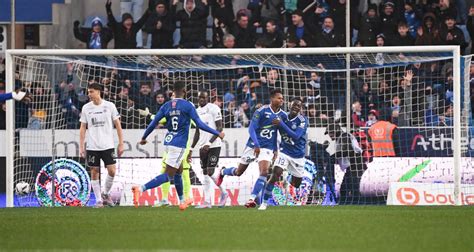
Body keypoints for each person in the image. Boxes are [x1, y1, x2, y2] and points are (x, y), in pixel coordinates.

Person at [132, 82, 225, 210]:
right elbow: (200, 125)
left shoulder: (166, 105)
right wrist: (217, 133)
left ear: (172, 93)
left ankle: (182, 201)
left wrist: (143, 138)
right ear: (185, 92)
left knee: (179, 171)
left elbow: (154, 123)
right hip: (179, 144)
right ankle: (141, 189)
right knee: (168, 175)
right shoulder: (188, 106)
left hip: (169, 142)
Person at [218, 89, 287, 208]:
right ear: (272, 99)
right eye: (279, 98)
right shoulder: (261, 111)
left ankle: (251, 199)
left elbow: (277, 132)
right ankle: (223, 171)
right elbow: (251, 129)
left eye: (282, 98)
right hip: (253, 145)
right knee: (239, 172)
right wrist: (256, 144)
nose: (282, 100)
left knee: (264, 172)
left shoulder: (283, 115)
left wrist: (275, 149)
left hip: (267, 148)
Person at [79, 83, 124, 207]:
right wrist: (81, 146)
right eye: (88, 92)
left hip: (107, 145)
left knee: (112, 171)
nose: (89, 94)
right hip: (92, 146)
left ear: (98, 92)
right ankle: (99, 200)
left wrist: (121, 143)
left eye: (91, 91)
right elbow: (83, 127)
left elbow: (118, 125)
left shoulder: (110, 106)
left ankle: (105, 193)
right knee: (94, 171)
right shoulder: (86, 108)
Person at [259, 98, 307, 210]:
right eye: (294, 105)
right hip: (284, 152)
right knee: (275, 174)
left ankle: (287, 179)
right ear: (289, 105)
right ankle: (264, 203)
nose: (296, 107)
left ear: (300, 109)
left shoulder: (302, 120)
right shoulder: (282, 117)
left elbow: (296, 136)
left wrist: (282, 124)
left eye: (298, 106)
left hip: (298, 156)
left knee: (296, 184)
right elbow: (274, 131)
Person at [193, 90, 227, 208]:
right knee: (205, 174)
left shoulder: (214, 108)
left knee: (210, 171)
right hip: (202, 146)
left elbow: (219, 128)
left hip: (214, 144)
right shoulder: (196, 112)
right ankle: (207, 202)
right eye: (200, 97)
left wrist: (209, 142)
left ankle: (224, 192)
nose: (201, 99)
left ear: (208, 98)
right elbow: (197, 132)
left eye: (204, 97)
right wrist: (191, 148)